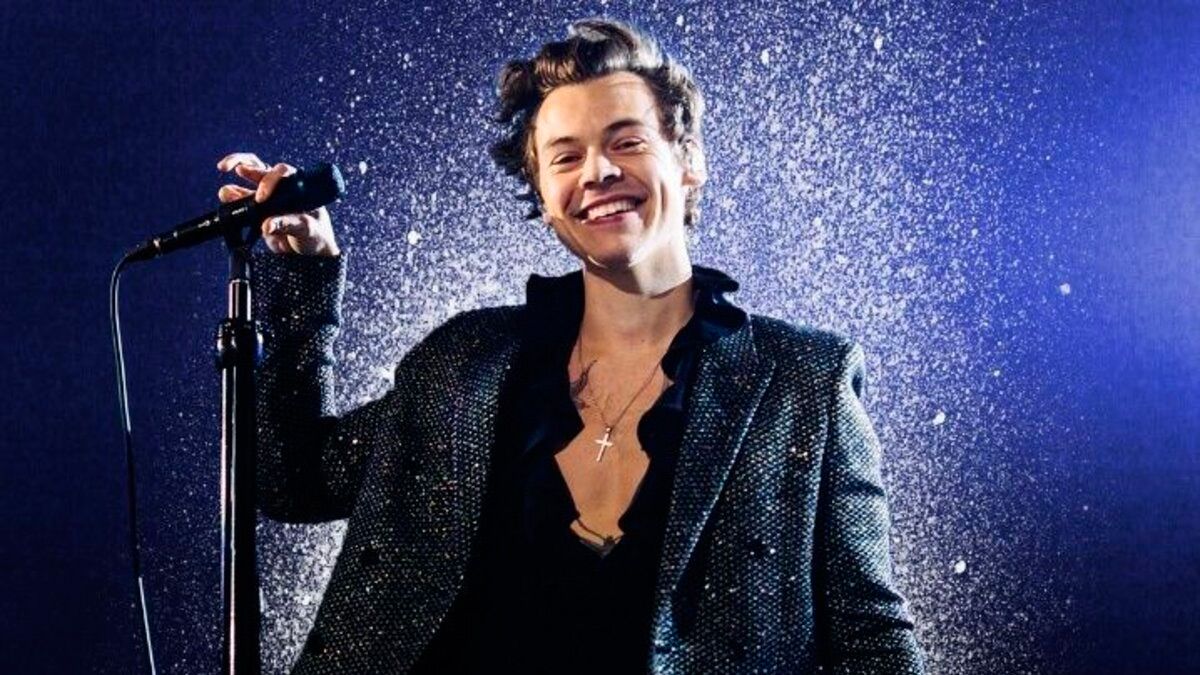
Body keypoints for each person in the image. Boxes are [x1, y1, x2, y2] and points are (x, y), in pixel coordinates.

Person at [218, 18, 925, 675]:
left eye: (626, 141)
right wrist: (307, 279)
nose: (597, 172)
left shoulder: (805, 383)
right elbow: (293, 479)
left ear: (688, 161)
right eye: (566, 156)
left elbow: (872, 638)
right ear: (543, 194)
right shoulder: (464, 364)